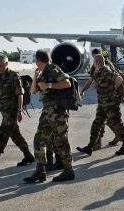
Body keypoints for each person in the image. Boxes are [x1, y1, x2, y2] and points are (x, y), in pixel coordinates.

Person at [24, 50, 74, 183]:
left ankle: (69, 170)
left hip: (58, 112)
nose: (35, 63)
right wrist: (35, 76)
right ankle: (40, 171)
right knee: (39, 139)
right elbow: (33, 90)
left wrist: (49, 85)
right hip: (47, 112)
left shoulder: (52, 68)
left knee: (60, 140)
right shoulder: (43, 72)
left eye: (35, 60)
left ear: (39, 60)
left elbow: (67, 83)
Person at [0, 54, 35, 171]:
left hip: (12, 111)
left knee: (2, 134)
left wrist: (19, 111)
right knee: (15, 135)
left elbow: (20, 94)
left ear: (6, 64)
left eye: (0, 66)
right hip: (4, 110)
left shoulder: (14, 76)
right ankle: (29, 156)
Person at [76, 55, 124, 157]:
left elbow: (119, 79)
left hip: (111, 104)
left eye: (93, 62)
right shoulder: (98, 72)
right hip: (102, 104)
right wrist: (82, 91)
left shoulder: (106, 71)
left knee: (117, 123)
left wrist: (112, 89)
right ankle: (90, 146)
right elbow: (90, 81)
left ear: (96, 62)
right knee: (97, 123)